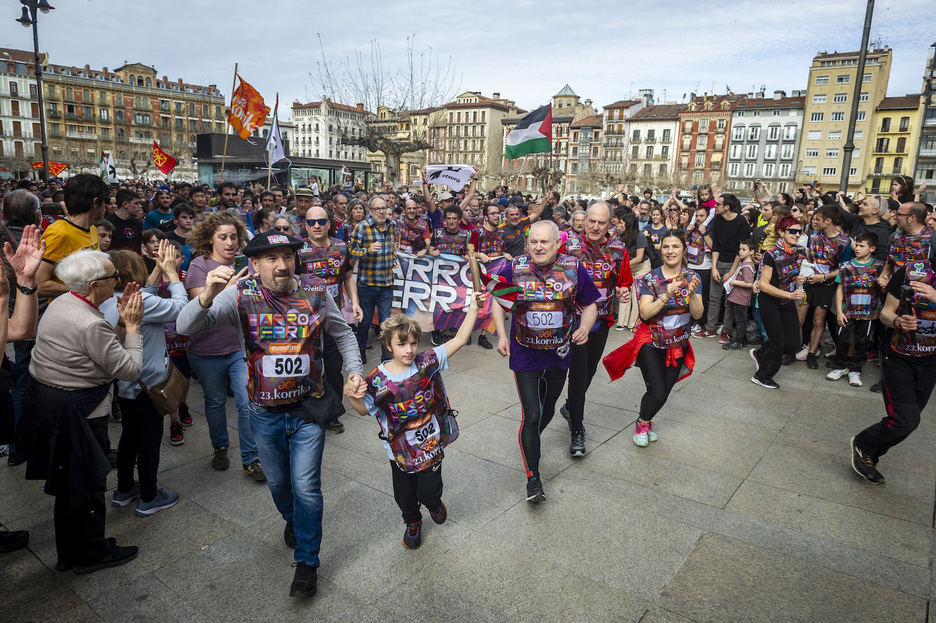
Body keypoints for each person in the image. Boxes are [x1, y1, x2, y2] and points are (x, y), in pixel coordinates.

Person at [176, 230, 364, 598]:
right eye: (271, 259)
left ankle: (307, 562)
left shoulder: (315, 290)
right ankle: (292, 520)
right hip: (264, 412)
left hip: (309, 408)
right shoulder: (240, 294)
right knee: (279, 484)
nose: (282, 265)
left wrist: (355, 369)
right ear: (254, 264)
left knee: (307, 487)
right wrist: (209, 295)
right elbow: (185, 328)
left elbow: (343, 334)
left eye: (287, 257)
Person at [19, 250, 143, 574]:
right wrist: (132, 327)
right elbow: (130, 369)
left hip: (49, 403)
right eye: (112, 276)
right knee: (87, 482)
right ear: (93, 286)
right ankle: (90, 552)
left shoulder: (63, 303)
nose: (117, 280)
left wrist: (116, 321)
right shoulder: (89, 322)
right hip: (78, 412)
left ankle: (69, 552)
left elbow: (102, 352)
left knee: (68, 481)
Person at [345, 294, 483, 549]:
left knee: (429, 491)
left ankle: (433, 504)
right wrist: (352, 395)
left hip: (430, 445)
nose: (409, 349)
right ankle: (412, 521)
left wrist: (473, 307)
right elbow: (364, 410)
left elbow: (461, 339)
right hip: (398, 452)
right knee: (405, 495)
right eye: (401, 344)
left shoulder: (427, 362)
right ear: (388, 346)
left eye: (413, 343)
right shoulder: (377, 380)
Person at [490, 220, 600, 502]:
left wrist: (585, 328)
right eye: (533, 242)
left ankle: (530, 442)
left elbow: (590, 303)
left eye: (544, 242)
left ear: (557, 244)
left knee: (548, 408)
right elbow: (497, 300)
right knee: (532, 415)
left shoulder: (574, 269)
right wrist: (501, 335)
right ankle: (533, 479)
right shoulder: (514, 268)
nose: (538, 247)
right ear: (527, 244)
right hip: (524, 353)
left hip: (558, 353)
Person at [102, 246, 187, 516]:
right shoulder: (142, 303)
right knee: (149, 441)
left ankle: (125, 488)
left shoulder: (108, 300)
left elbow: (146, 293)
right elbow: (182, 311)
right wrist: (173, 276)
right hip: (149, 383)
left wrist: (158, 270)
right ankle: (150, 495)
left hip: (126, 385)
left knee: (129, 436)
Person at [603, 230, 703, 446]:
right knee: (657, 390)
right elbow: (646, 313)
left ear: (683, 249)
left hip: (678, 344)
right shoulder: (650, 278)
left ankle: (646, 421)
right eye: (666, 246)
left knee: (664, 391)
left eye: (675, 246)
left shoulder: (692, 277)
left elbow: (697, 314)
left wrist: (692, 293)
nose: (670, 251)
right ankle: (642, 423)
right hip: (651, 342)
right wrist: (666, 295)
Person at [184, 212, 262, 479]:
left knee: (247, 402)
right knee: (215, 401)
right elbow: (198, 308)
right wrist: (228, 288)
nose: (230, 242)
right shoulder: (199, 265)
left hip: (241, 349)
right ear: (210, 239)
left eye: (233, 236)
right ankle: (220, 447)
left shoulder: (249, 265)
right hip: (207, 350)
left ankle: (251, 458)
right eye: (223, 237)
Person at [849, 245, 936, 485]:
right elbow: (885, 313)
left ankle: (870, 452)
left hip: (930, 362)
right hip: (898, 356)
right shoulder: (911, 271)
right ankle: (864, 444)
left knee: (906, 422)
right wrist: (898, 320)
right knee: (906, 420)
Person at [558, 202, 632, 455]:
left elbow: (623, 283)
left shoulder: (619, 250)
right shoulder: (568, 246)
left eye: (602, 222)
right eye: (591, 221)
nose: (595, 227)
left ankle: (570, 407)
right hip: (574, 321)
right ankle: (577, 430)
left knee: (589, 371)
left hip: (601, 321)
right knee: (578, 376)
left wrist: (622, 291)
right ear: (583, 220)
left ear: (610, 223)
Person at [298, 205, 363, 430]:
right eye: (312, 222)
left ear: (328, 224)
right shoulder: (297, 249)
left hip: (333, 319)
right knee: (309, 365)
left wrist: (354, 302)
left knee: (334, 368)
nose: (317, 225)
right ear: (305, 225)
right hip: (306, 320)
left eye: (321, 221)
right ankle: (307, 407)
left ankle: (333, 412)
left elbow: (347, 276)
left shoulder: (341, 247)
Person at [750, 217, 808, 389]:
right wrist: (789, 295)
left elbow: (793, 273)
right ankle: (762, 376)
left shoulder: (799, 251)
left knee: (793, 343)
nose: (797, 234)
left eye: (799, 231)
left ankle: (761, 353)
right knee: (778, 343)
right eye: (792, 231)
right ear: (782, 232)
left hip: (786, 299)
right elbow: (764, 285)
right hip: (770, 301)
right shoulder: (771, 254)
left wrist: (800, 278)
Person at [828, 232, 884, 387]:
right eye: (856, 245)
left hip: (869, 313)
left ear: (872, 248)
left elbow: (883, 290)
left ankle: (855, 370)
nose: (857, 248)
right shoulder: (846, 266)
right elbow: (840, 288)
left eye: (861, 246)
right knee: (842, 339)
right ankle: (840, 366)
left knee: (862, 341)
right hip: (847, 311)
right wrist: (839, 311)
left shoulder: (879, 267)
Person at [695, 193, 751, 341]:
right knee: (714, 298)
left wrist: (732, 272)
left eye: (718, 204)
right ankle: (710, 328)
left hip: (735, 263)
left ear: (726, 207)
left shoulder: (741, 222)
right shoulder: (718, 220)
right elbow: (716, 245)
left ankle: (726, 330)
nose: (715, 206)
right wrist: (714, 267)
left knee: (729, 300)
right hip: (719, 261)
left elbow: (742, 248)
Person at [802, 205, 851, 369]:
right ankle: (795, 347)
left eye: (817, 219)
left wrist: (822, 277)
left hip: (826, 285)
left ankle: (812, 354)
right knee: (800, 319)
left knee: (818, 320)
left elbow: (843, 269)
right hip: (809, 281)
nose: (814, 222)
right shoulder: (813, 234)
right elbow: (809, 255)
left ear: (828, 221)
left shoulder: (844, 242)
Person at [349, 196, 397, 362]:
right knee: (365, 321)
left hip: (386, 283)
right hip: (367, 284)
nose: (381, 212)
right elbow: (352, 252)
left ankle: (386, 357)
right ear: (370, 211)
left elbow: (392, 246)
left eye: (383, 208)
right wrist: (367, 251)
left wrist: (394, 258)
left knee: (386, 323)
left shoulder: (392, 225)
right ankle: (360, 348)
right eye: (377, 209)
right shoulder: (362, 228)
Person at [615, 212, 650, 331]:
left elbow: (639, 258)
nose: (619, 225)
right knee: (625, 292)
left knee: (637, 296)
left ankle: (633, 324)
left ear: (628, 224)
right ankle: (622, 322)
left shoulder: (640, 236)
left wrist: (623, 265)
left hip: (641, 267)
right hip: (629, 267)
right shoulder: (622, 236)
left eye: (621, 222)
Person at [721, 239, 756, 350]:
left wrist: (734, 282)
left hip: (742, 298)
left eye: (744, 249)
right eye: (740, 249)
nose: (740, 251)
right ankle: (742, 339)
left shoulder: (747, 266)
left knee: (741, 321)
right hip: (737, 297)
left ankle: (738, 341)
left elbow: (749, 283)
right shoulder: (744, 263)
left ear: (751, 252)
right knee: (739, 320)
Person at [105, 189, 144, 253]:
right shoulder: (108, 223)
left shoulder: (138, 223)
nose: (140, 206)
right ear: (125, 204)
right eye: (136, 203)